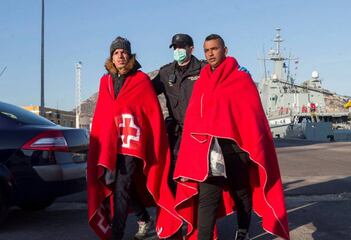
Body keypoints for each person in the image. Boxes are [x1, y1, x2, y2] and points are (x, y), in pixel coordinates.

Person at [173, 34, 290, 240]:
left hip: (236, 149)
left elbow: (253, 115)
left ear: (225, 50)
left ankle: (243, 230)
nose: (210, 54)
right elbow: (193, 122)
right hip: (209, 152)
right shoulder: (201, 83)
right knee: (207, 200)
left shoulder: (240, 78)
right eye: (207, 50)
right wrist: (187, 159)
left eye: (214, 49)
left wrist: (252, 146)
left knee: (241, 193)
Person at [87, 36, 181, 240]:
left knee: (122, 185)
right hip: (111, 144)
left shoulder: (141, 80)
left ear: (130, 55)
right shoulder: (105, 82)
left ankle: (116, 234)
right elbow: (103, 113)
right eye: (116, 52)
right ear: (111, 56)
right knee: (116, 185)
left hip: (132, 142)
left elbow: (151, 113)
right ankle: (143, 217)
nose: (120, 56)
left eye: (124, 52)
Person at [152, 33, 206, 193]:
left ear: (191, 48)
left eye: (181, 47)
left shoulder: (204, 70)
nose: (178, 50)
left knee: (201, 174)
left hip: (200, 131)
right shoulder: (166, 73)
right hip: (177, 131)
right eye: (175, 47)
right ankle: (181, 211)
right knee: (174, 174)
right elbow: (145, 92)